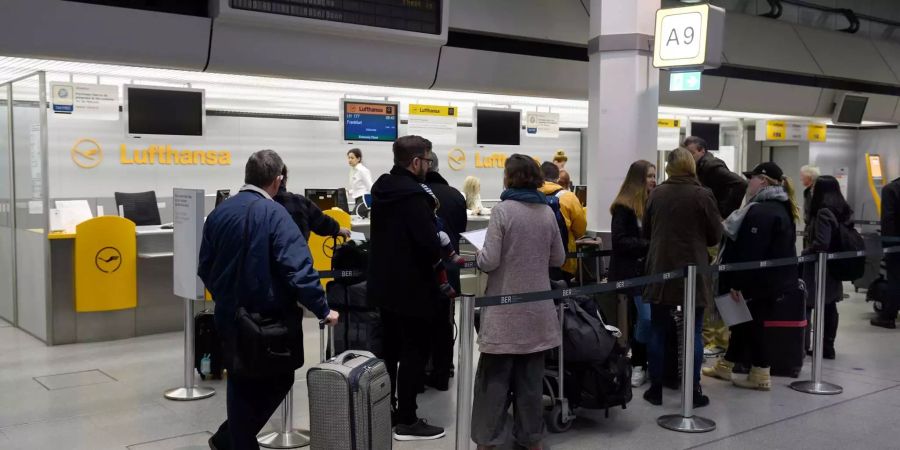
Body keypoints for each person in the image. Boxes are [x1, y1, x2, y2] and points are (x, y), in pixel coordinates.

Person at [199, 150, 339, 450]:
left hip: (229, 316)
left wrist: (226, 296)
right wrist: (322, 308)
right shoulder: (275, 213)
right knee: (279, 378)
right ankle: (232, 440)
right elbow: (298, 267)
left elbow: (205, 267)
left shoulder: (219, 213)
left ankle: (233, 441)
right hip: (267, 320)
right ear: (277, 180)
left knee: (239, 378)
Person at [472, 154, 566, 450]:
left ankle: (488, 441)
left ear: (509, 177)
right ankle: (530, 438)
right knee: (530, 383)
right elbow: (559, 259)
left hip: (504, 313)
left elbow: (489, 260)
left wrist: (477, 255)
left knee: (494, 382)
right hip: (537, 312)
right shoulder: (547, 210)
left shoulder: (503, 210)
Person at [368, 135, 446, 441]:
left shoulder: (382, 189)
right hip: (413, 289)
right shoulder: (414, 196)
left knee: (388, 350)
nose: (428, 165)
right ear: (415, 162)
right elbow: (428, 244)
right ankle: (408, 420)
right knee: (414, 352)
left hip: (384, 287)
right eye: (426, 160)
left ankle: (385, 411)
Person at [703, 162, 799, 391]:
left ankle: (761, 373)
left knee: (753, 325)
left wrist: (737, 284)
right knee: (742, 324)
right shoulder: (782, 207)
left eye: (752, 178)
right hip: (772, 281)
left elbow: (750, 252)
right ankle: (726, 365)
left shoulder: (761, 211)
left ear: (763, 181)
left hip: (755, 282)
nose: (749, 182)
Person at [642, 147, 722, 407]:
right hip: (693, 270)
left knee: (658, 328)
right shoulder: (703, 195)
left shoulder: (657, 194)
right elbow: (715, 235)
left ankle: (655, 388)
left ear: (668, 168)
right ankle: (694, 388)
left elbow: (647, 232)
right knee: (695, 331)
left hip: (660, 268)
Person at [683, 136, 747, 357]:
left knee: (711, 285)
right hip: (709, 231)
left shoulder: (710, 166)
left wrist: (722, 212)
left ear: (701, 150)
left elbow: (740, 183)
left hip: (713, 233)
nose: (689, 157)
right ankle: (714, 337)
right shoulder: (704, 166)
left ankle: (717, 338)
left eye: (691, 153)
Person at [609, 160, 657, 388]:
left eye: (654, 175)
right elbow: (619, 242)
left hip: (647, 272)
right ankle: (637, 364)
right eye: (649, 176)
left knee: (644, 320)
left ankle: (641, 362)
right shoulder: (624, 207)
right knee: (642, 319)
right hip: (629, 273)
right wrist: (649, 244)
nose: (653, 180)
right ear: (638, 179)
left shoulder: (652, 205)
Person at [423, 150, 468, 390]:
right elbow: (460, 229)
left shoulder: (414, 195)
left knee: (418, 324)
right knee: (444, 322)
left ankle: (420, 371)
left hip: (419, 272)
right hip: (448, 272)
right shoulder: (455, 195)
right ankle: (443, 371)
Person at [802, 175, 852, 359]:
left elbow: (822, 243)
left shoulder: (823, 212)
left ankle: (814, 345)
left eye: (815, 187)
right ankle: (827, 346)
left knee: (813, 304)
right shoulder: (841, 210)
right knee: (830, 307)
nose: (812, 190)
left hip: (821, 268)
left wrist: (806, 252)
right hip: (834, 266)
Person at [274, 166, 351, 241]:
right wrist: (338, 229)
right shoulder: (299, 201)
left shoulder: (263, 205)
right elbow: (322, 223)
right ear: (284, 179)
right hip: (298, 253)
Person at [539, 161, 587, 282]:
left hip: (536, 260)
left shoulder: (532, 195)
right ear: (557, 178)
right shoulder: (569, 197)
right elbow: (580, 230)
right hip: (564, 260)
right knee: (564, 296)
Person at [872, 176, 900, 329]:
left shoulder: (891, 189)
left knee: (895, 279)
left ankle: (888, 316)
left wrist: (887, 244)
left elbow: (888, 219)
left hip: (896, 243)